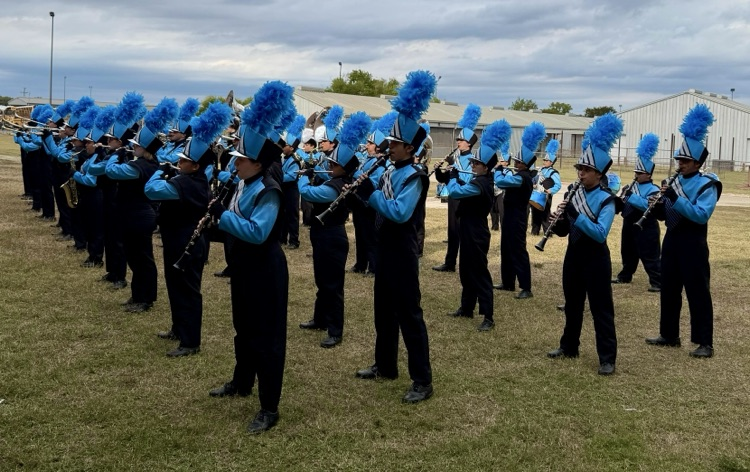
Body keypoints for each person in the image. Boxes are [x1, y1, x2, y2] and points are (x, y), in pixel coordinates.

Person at [207, 80, 293, 434]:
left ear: (257, 163)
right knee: (243, 328)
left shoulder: (269, 190)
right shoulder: (243, 183)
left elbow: (258, 232)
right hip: (243, 266)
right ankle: (241, 382)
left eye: (241, 159)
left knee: (267, 337)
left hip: (266, 269)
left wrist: (223, 217)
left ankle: (269, 407)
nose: (235, 162)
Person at [354, 70, 435, 404]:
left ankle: (422, 380)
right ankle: (385, 365)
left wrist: (371, 195)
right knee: (382, 311)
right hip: (384, 248)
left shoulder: (414, 176)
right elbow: (378, 201)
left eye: (394, 145)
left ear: (409, 147)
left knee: (408, 315)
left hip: (402, 251)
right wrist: (359, 192)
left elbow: (400, 212)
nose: (389, 148)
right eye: (389, 144)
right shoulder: (390, 169)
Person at [145, 100, 228, 358]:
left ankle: (190, 341)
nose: (179, 163)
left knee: (188, 291)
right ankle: (178, 328)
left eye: (183, 161)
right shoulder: (189, 178)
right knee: (174, 285)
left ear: (195, 166)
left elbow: (150, 189)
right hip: (177, 238)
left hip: (187, 240)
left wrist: (160, 171)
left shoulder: (187, 182)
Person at [547, 113, 623, 376]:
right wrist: (556, 223)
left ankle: (607, 357)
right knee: (572, 303)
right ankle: (569, 346)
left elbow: (600, 233)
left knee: (601, 309)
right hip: (574, 255)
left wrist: (576, 216)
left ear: (599, 173)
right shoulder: (574, 193)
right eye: (579, 168)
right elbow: (567, 229)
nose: (580, 173)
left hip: (596, 258)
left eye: (586, 170)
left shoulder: (607, 200)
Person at [646, 104, 720, 358]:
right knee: (669, 287)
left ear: (698, 162)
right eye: (679, 160)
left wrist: (675, 198)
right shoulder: (674, 181)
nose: (681, 164)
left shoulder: (708, 183)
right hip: (672, 239)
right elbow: (669, 212)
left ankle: (704, 342)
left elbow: (700, 215)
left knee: (697, 291)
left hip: (693, 241)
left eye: (686, 161)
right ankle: (669, 334)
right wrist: (656, 208)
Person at [297, 111, 371, 348]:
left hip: (332, 236)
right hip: (323, 234)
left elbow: (308, 193)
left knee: (332, 285)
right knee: (322, 280)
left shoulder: (335, 187)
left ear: (343, 169)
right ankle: (320, 319)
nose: (329, 163)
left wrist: (303, 177)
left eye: (334, 163)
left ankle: (335, 330)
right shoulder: (334, 180)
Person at [446, 120, 511, 331]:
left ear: (485, 167)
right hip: (468, 228)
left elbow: (455, 192)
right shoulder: (478, 180)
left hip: (476, 232)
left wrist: (453, 177)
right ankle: (466, 308)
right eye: (472, 163)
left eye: (475, 164)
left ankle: (488, 316)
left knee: (479, 273)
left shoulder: (480, 184)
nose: (472, 166)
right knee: (465, 270)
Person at [105, 92, 158, 313]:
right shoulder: (141, 163)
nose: (133, 147)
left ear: (144, 150)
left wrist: (116, 154)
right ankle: (138, 295)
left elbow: (111, 171)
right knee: (134, 257)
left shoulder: (139, 167)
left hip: (138, 215)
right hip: (132, 214)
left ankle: (145, 299)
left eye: (136, 146)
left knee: (141, 258)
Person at [493, 121, 546, 299]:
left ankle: (526, 287)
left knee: (518, 250)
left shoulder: (522, 178)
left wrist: (498, 169)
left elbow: (500, 182)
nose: (514, 162)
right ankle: (508, 282)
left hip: (517, 217)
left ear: (523, 164)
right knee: (506, 248)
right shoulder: (519, 174)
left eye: (517, 160)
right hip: (510, 216)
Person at [432, 104, 482, 272]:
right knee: (452, 231)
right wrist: (440, 169)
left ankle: (465, 264)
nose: (458, 142)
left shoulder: (473, 160)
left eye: (461, 140)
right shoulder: (455, 156)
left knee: (464, 233)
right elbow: (445, 179)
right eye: (458, 140)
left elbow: (468, 179)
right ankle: (450, 262)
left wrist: (454, 166)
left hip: (465, 198)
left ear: (469, 144)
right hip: (454, 197)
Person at [613, 133, 662, 292]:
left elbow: (648, 206)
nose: (636, 175)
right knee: (627, 251)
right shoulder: (631, 186)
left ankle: (657, 281)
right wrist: (619, 202)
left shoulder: (654, 189)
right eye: (635, 172)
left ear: (648, 174)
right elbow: (625, 201)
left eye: (639, 173)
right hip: (628, 223)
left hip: (645, 226)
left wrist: (630, 197)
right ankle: (625, 275)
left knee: (649, 255)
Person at [348, 112, 394, 274]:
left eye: (370, 143)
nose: (366, 145)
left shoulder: (379, 165)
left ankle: (373, 266)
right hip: (360, 201)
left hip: (369, 204)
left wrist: (355, 175)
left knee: (370, 236)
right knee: (360, 234)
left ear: (379, 147)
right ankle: (360, 264)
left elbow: (375, 184)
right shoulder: (368, 160)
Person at [277, 114, 305, 249]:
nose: (284, 147)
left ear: (292, 148)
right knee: (282, 214)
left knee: (292, 216)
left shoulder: (294, 160)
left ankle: (294, 241)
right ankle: (282, 238)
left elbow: (290, 177)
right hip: (283, 189)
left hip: (291, 189)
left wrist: (277, 177)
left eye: (286, 145)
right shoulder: (283, 158)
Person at [530, 139, 562, 236]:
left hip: (545, 196)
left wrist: (550, 190)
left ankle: (547, 233)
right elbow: (535, 179)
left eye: (546, 160)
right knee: (535, 214)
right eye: (544, 159)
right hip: (536, 194)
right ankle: (534, 232)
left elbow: (558, 185)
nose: (544, 161)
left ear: (551, 162)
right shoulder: (541, 170)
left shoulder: (553, 172)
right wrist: (533, 184)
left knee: (545, 215)